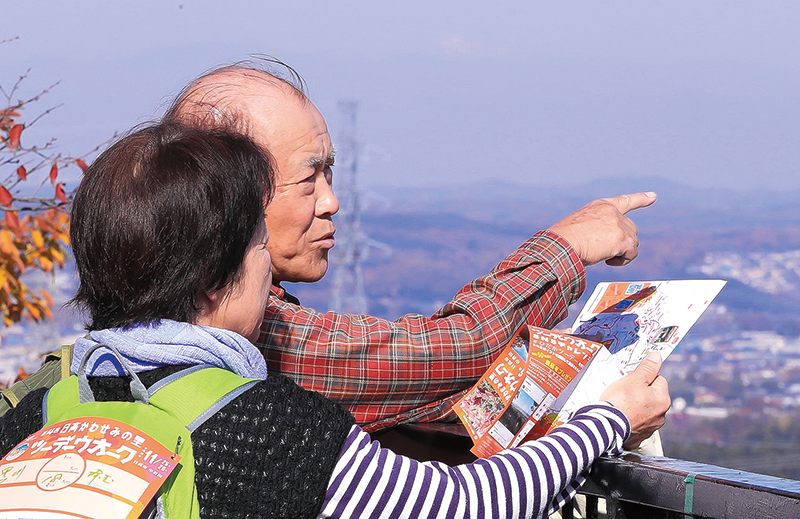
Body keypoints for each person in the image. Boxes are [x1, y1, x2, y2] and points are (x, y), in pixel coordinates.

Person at [0, 123, 670, 519]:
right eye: (257, 246)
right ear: (212, 275)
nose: (271, 274)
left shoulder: (39, 405)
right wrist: (606, 420)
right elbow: (467, 504)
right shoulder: (266, 424)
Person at [160, 62, 658, 432]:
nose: (332, 201)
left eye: (328, 172)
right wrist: (565, 247)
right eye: (309, 177)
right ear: (225, 194)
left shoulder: (148, 319)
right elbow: (462, 351)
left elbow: (415, 389)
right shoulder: (244, 333)